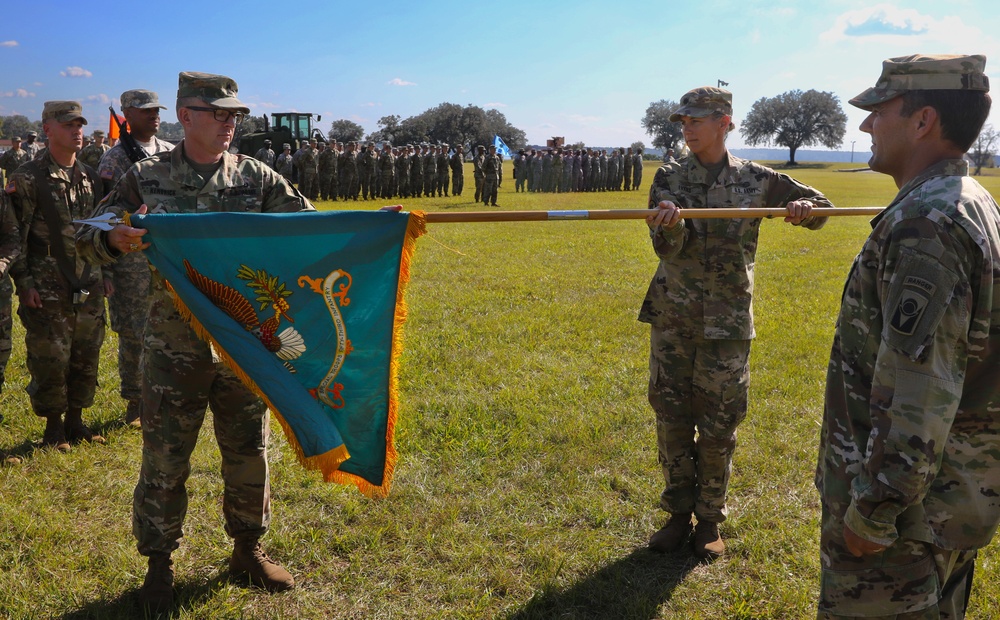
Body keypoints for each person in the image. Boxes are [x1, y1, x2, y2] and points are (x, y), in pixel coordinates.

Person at [77, 72, 307, 612]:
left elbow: (312, 230)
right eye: (219, 113)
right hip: (172, 347)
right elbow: (88, 231)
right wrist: (112, 237)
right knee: (165, 459)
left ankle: (248, 551)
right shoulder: (145, 176)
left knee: (249, 452)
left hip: (243, 349)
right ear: (186, 115)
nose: (230, 123)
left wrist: (374, 227)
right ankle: (159, 566)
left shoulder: (257, 176)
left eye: (235, 115)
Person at [816, 54, 1000, 620]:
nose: (866, 125)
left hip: (906, 524)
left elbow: (920, 391)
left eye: (878, 111)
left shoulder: (929, 223)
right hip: (948, 500)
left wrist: (876, 509)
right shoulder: (968, 200)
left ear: (923, 121)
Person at [642, 86, 830, 558]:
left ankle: (708, 520)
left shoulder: (758, 178)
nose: (687, 129)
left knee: (720, 423)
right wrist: (669, 225)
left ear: (725, 121)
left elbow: (822, 209)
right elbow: (667, 250)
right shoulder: (668, 177)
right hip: (675, 318)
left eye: (697, 120)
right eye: (683, 122)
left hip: (727, 323)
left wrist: (805, 211)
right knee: (671, 419)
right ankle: (676, 514)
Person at [6, 101, 109, 454]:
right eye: (68, 125)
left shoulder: (91, 176)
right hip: (47, 280)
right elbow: (13, 236)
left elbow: (101, 231)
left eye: (79, 124)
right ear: (48, 129)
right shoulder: (27, 177)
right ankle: (53, 426)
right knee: (50, 354)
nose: (76, 130)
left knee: (86, 351)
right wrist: (25, 283)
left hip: (88, 277)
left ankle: (76, 420)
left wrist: (105, 272)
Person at [99, 88, 175, 428]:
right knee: (133, 331)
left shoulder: (172, 153)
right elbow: (103, 217)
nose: (154, 115)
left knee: (170, 326)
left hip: (166, 255)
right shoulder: (113, 160)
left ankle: (167, 395)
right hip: (129, 259)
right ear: (127, 114)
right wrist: (106, 269)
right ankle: (134, 401)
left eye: (156, 110)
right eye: (145, 110)